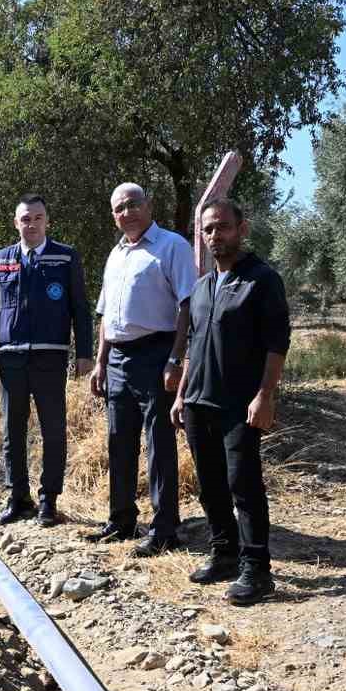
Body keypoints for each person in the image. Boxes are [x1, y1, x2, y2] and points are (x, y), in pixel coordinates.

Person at [170, 198, 290, 605]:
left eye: (222, 226)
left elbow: (277, 344)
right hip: (198, 402)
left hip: (240, 405)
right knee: (210, 486)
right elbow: (194, 344)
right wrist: (182, 394)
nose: (214, 235)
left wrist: (265, 395)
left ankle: (257, 570)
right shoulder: (203, 286)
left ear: (242, 229)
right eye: (207, 229)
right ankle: (224, 554)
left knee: (244, 485)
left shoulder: (262, 280)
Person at [86, 183, 196, 556]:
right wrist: (101, 362)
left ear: (149, 205)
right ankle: (121, 521)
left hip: (156, 353)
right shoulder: (116, 254)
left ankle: (165, 529)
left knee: (159, 442)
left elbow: (187, 306)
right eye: (119, 208)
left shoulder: (172, 246)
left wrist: (175, 359)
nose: (127, 212)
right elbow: (105, 314)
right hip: (118, 358)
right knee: (119, 440)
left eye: (133, 204)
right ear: (113, 216)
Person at [0, 195, 94, 526]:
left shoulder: (65, 257)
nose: (32, 224)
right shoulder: (2, 259)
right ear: (17, 223)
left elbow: (80, 308)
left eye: (38, 218)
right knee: (13, 431)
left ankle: (48, 501)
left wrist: (85, 353)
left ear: (47, 221)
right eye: (26, 219)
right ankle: (18, 498)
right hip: (11, 359)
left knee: (53, 431)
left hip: (50, 358)